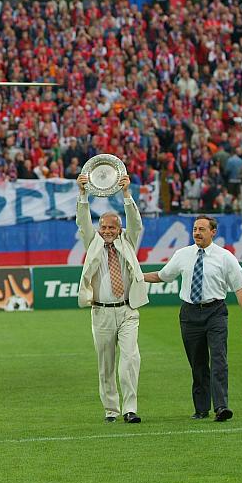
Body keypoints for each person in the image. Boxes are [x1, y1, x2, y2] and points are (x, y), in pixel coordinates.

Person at [143, 215, 242, 422]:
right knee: (198, 362)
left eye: (202, 229)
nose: (197, 233)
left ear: (213, 232)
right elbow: (162, 276)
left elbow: (240, 289)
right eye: (195, 229)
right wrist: (137, 276)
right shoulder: (183, 254)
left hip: (216, 312)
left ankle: (221, 407)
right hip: (189, 313)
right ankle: (201, 409)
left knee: (219, 359)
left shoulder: (225, 257)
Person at [76, 174, 149, 424]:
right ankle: (111, 409)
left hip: (128, 310)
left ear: (119, 230)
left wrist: (127, 194)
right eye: (104, 227)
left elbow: (136, 224)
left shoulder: (128, 241)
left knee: (130, 360)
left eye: (112, 228)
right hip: (101, 312)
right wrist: (83, 193)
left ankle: (130, 409)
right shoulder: (93, 241)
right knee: (106, 365)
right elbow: (83, 222)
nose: (107, 232)